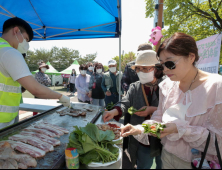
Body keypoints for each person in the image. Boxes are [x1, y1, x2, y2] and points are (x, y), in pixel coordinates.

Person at [121, 32, 222, 169]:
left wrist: (180, 129)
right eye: (162, 65)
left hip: (198, 162)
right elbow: (158, 118)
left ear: (191, 57)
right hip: (167, 157)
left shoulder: (216, 87)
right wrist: (138, 129)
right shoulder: (167, 85)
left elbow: (218, 140)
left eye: (170, 63)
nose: (166, 70)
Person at [0, 17, 70, 130]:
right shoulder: (10, 53)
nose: (26, 44)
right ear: (16, 31)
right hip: (2, 121)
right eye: (26, 39)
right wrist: (61, 96)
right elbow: (35, 89)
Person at [103, 50, 164, 169]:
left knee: (163, 164)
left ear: (157, 69)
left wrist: (152, 109)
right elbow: (125, 103)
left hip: (163, 134)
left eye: (145, 69)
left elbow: (173, 109)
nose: (141, 72)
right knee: (143, 164)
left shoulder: (168, 85)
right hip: (142, 135)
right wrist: (113, 112)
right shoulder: (135, 87)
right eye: (138, 69)